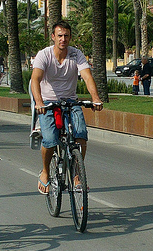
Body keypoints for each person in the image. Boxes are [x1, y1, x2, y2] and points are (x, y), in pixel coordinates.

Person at [31, 21, 103, 195]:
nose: (63, 39)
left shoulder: (76, 54)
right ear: (53, 37)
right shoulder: (44, 55)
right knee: (49, 140)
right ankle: (45, 171)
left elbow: (86, 76)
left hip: (70, 101)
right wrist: (39, 102)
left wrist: (95, 99)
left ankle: (77, 175)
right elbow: (35, 79)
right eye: (60, 35)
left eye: (66, 36)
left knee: (81, 136)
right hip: (48, 102)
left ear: (70, 37)